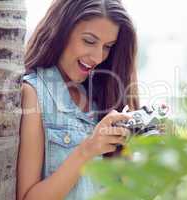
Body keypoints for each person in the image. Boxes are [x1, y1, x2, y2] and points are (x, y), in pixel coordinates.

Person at [17, 0, 139, 199]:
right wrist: (88, 149)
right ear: (61, 31)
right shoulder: (34, 93)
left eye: (108, 46)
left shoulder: (101, 96)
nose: (98, 57)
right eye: (89, 41)